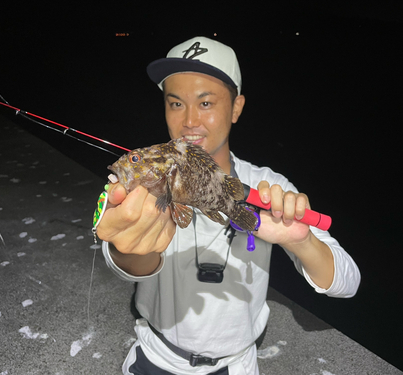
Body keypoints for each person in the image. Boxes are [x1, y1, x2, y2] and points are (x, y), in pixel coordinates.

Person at [96, 36, 360, 375]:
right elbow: (124, 260)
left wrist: (300, 240)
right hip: (154, 357)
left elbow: (348, 282)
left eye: (206, 103)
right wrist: (126, 248)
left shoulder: (267, 188)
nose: (189, 120)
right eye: (176, 103)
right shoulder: (150, 177)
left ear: (236, 108)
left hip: (237, 366)